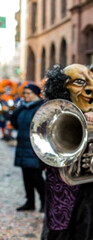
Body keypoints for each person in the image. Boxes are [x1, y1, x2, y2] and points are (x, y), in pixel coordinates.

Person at [42, 64, 93, 240]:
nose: (90, 87)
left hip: (91, 183)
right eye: (79, 82)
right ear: (62, 86)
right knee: (58, 231)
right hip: (62, 183)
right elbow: (40, 144)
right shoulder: (52, 108)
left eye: (92, 81)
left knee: (85, 230)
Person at [10, 83, 45, 212]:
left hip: (34, 148)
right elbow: (14, 121)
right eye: (24, 93)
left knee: (36, 177)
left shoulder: (40, 108)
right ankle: (30, 202)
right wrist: (18, 108)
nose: (26, 96)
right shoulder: (23, 108)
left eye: (29, 93)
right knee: (26, 177)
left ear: (35, 94)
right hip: (22, 147)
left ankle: (44, 201)